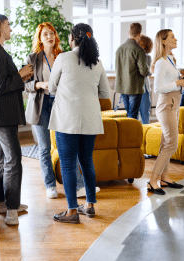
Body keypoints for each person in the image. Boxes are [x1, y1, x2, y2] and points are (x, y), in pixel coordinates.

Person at [48, 23, 110, 224]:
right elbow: (105, 94)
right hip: (90, 119)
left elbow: (51, 87)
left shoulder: (63, 58)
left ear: (72, 38)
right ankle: (90, 205)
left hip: (68, 120)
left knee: (67, 164)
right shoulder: (97, 63)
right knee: (86, 161)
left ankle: (72, 211)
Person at [24, 22, 93, 199]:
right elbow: (25, 85)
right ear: (40, 38)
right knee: (45, 147)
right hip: (41, 105)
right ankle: (50, 185)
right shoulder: (33, 58)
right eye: (46, 34)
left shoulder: (64, 56)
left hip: (61, 104)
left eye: (52, 33)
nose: (50, 37)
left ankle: (78, 186)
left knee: (68, 146)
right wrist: (40, 84)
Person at [0, 13, 33, 225]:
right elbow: (0, 86)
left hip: (4, 113)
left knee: (3, 159)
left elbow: (3, 83)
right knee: (14, 159)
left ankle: (3, 203)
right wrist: (20, 75)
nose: (11, 28)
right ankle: (12, 210)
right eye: (8, 24)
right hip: (0, 114)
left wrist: (21, 76)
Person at [147, 29, 184, 195]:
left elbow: (171, 81)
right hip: (166, 105)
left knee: (166, 144)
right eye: (172, 37)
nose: (176, 39)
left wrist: (181, 81)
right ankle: (152, 180)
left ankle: (164, 177)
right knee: (172, 143)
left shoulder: (170, 59)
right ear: (163, 41)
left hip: (174, 103)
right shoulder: (160, 62)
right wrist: (177, 82)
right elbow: (157, 89)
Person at [115, 23, 149, 119]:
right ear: (139, 35)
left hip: (123, 87)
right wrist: (149, 70)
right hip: (135, 87)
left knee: (129, 113)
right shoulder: (139, 50)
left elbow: (117, 68)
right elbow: (144, 71)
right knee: (133, 116)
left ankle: (128, 133)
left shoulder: (119, 49)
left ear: (129, 32)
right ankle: (132, 134)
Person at [138, 35, 153, 125]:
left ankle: (146, 132)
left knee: (145, 112)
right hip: (134, 88)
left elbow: (149, 72)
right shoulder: (133, 55)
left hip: (144, 88)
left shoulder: (148, 57)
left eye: (142, 44)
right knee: (134, 113)